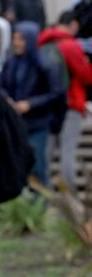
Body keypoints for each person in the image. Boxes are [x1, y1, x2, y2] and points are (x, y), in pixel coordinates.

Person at [0, 22, 63, 187]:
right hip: (16, 126)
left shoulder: (45, 63)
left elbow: (56, 93)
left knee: (38, 168)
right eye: (14, 39)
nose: (16, 43)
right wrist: (7, 100)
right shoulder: (11, 62)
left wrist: (30, 104)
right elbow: (1, 86)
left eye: (21, 39)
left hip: (38, 125)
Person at [40, 11, 92, 189]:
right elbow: (87, 76)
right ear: (74, 24)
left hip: (48, 105)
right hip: (71, 104)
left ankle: (44, 193)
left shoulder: (42, 43)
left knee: (47, 151)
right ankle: (68, 197)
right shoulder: (70, 45)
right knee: (67, 151)